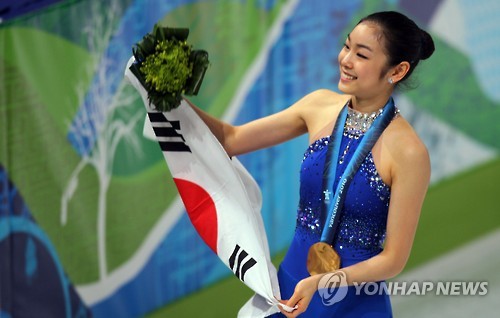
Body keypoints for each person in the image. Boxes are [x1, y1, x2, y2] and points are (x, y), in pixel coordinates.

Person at [186, 10, 434, 317]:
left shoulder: (410, 152)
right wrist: (171, 101)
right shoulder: (318, 105)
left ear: (396, 71)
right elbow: (230, 139)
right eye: (346, 46)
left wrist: (321, 282)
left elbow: (394, 259)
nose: (345, 59)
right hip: (290, 288)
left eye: (361, 54)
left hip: (354, 304)